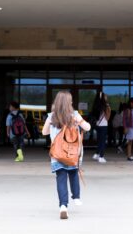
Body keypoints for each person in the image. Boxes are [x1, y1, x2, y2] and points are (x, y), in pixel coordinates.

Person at [42, 91, 91, 220]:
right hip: (72, 153)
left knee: (61, 178)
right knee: (73, 173)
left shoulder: (52, 116)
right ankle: (76, 196)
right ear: (69, 103)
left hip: (57, 154)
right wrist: (79, 122)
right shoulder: (74, 115)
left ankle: (63, 206)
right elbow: (88, 128)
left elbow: (44, 132)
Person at [91, 92, 111, 163]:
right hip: (103, 125)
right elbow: (107, 118)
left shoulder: (96, 105)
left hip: (97, 125)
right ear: (103, 98)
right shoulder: (106, 106)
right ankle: (101, 157)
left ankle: (96, 154)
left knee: (99, 141)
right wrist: (109, 110)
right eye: (105, 96)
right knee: (103, 142)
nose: (106, 97)